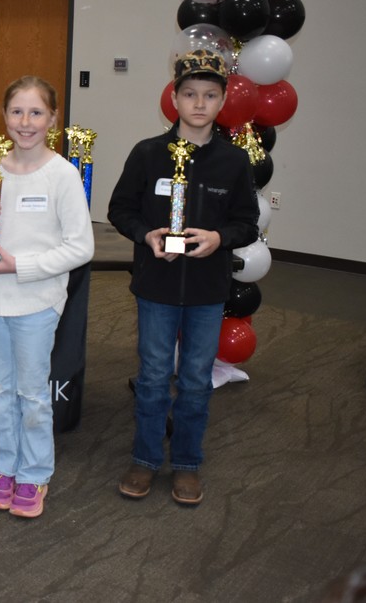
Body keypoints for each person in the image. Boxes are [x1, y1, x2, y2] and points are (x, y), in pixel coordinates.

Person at [107, 49, 259, 506]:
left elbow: (247, 223)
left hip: (207, 290)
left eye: (209, 96)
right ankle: (146, 458)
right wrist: (145, 233)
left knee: (195, 379)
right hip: (155, 285)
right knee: (153, 376)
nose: (198, 103)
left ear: (221, 101)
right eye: (189, 94)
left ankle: (188, 462)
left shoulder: (233, 163)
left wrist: (219, 237)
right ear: (173, 98)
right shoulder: (148, 153)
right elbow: (120, 209)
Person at [0, 76, 95, 518]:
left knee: (33, 394)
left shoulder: (62, 174)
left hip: (37, 302)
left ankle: (35, 473)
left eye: (36, 112)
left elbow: (82, 247)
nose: (25, 122)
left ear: (53, 119)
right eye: (17, 112)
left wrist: (21, 266)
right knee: (0, 390)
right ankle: (3, 468)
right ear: (4, 117)